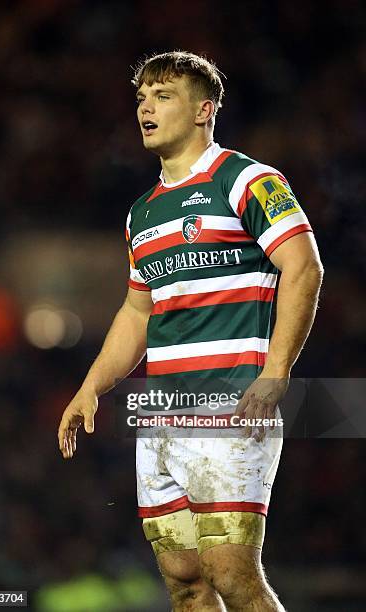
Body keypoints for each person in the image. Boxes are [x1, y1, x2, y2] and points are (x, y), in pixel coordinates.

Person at [58, 51, 324, 611]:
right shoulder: (142, 214)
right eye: (141, 98)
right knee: (184, 581)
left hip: (229, 406)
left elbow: (303, 267)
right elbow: (137, 313)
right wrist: (91, 386)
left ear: (204, 109)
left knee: (232, 574)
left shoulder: (246, 180)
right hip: (163, 416)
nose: (145, 108)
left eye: (163, 95)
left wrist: (276, 373)